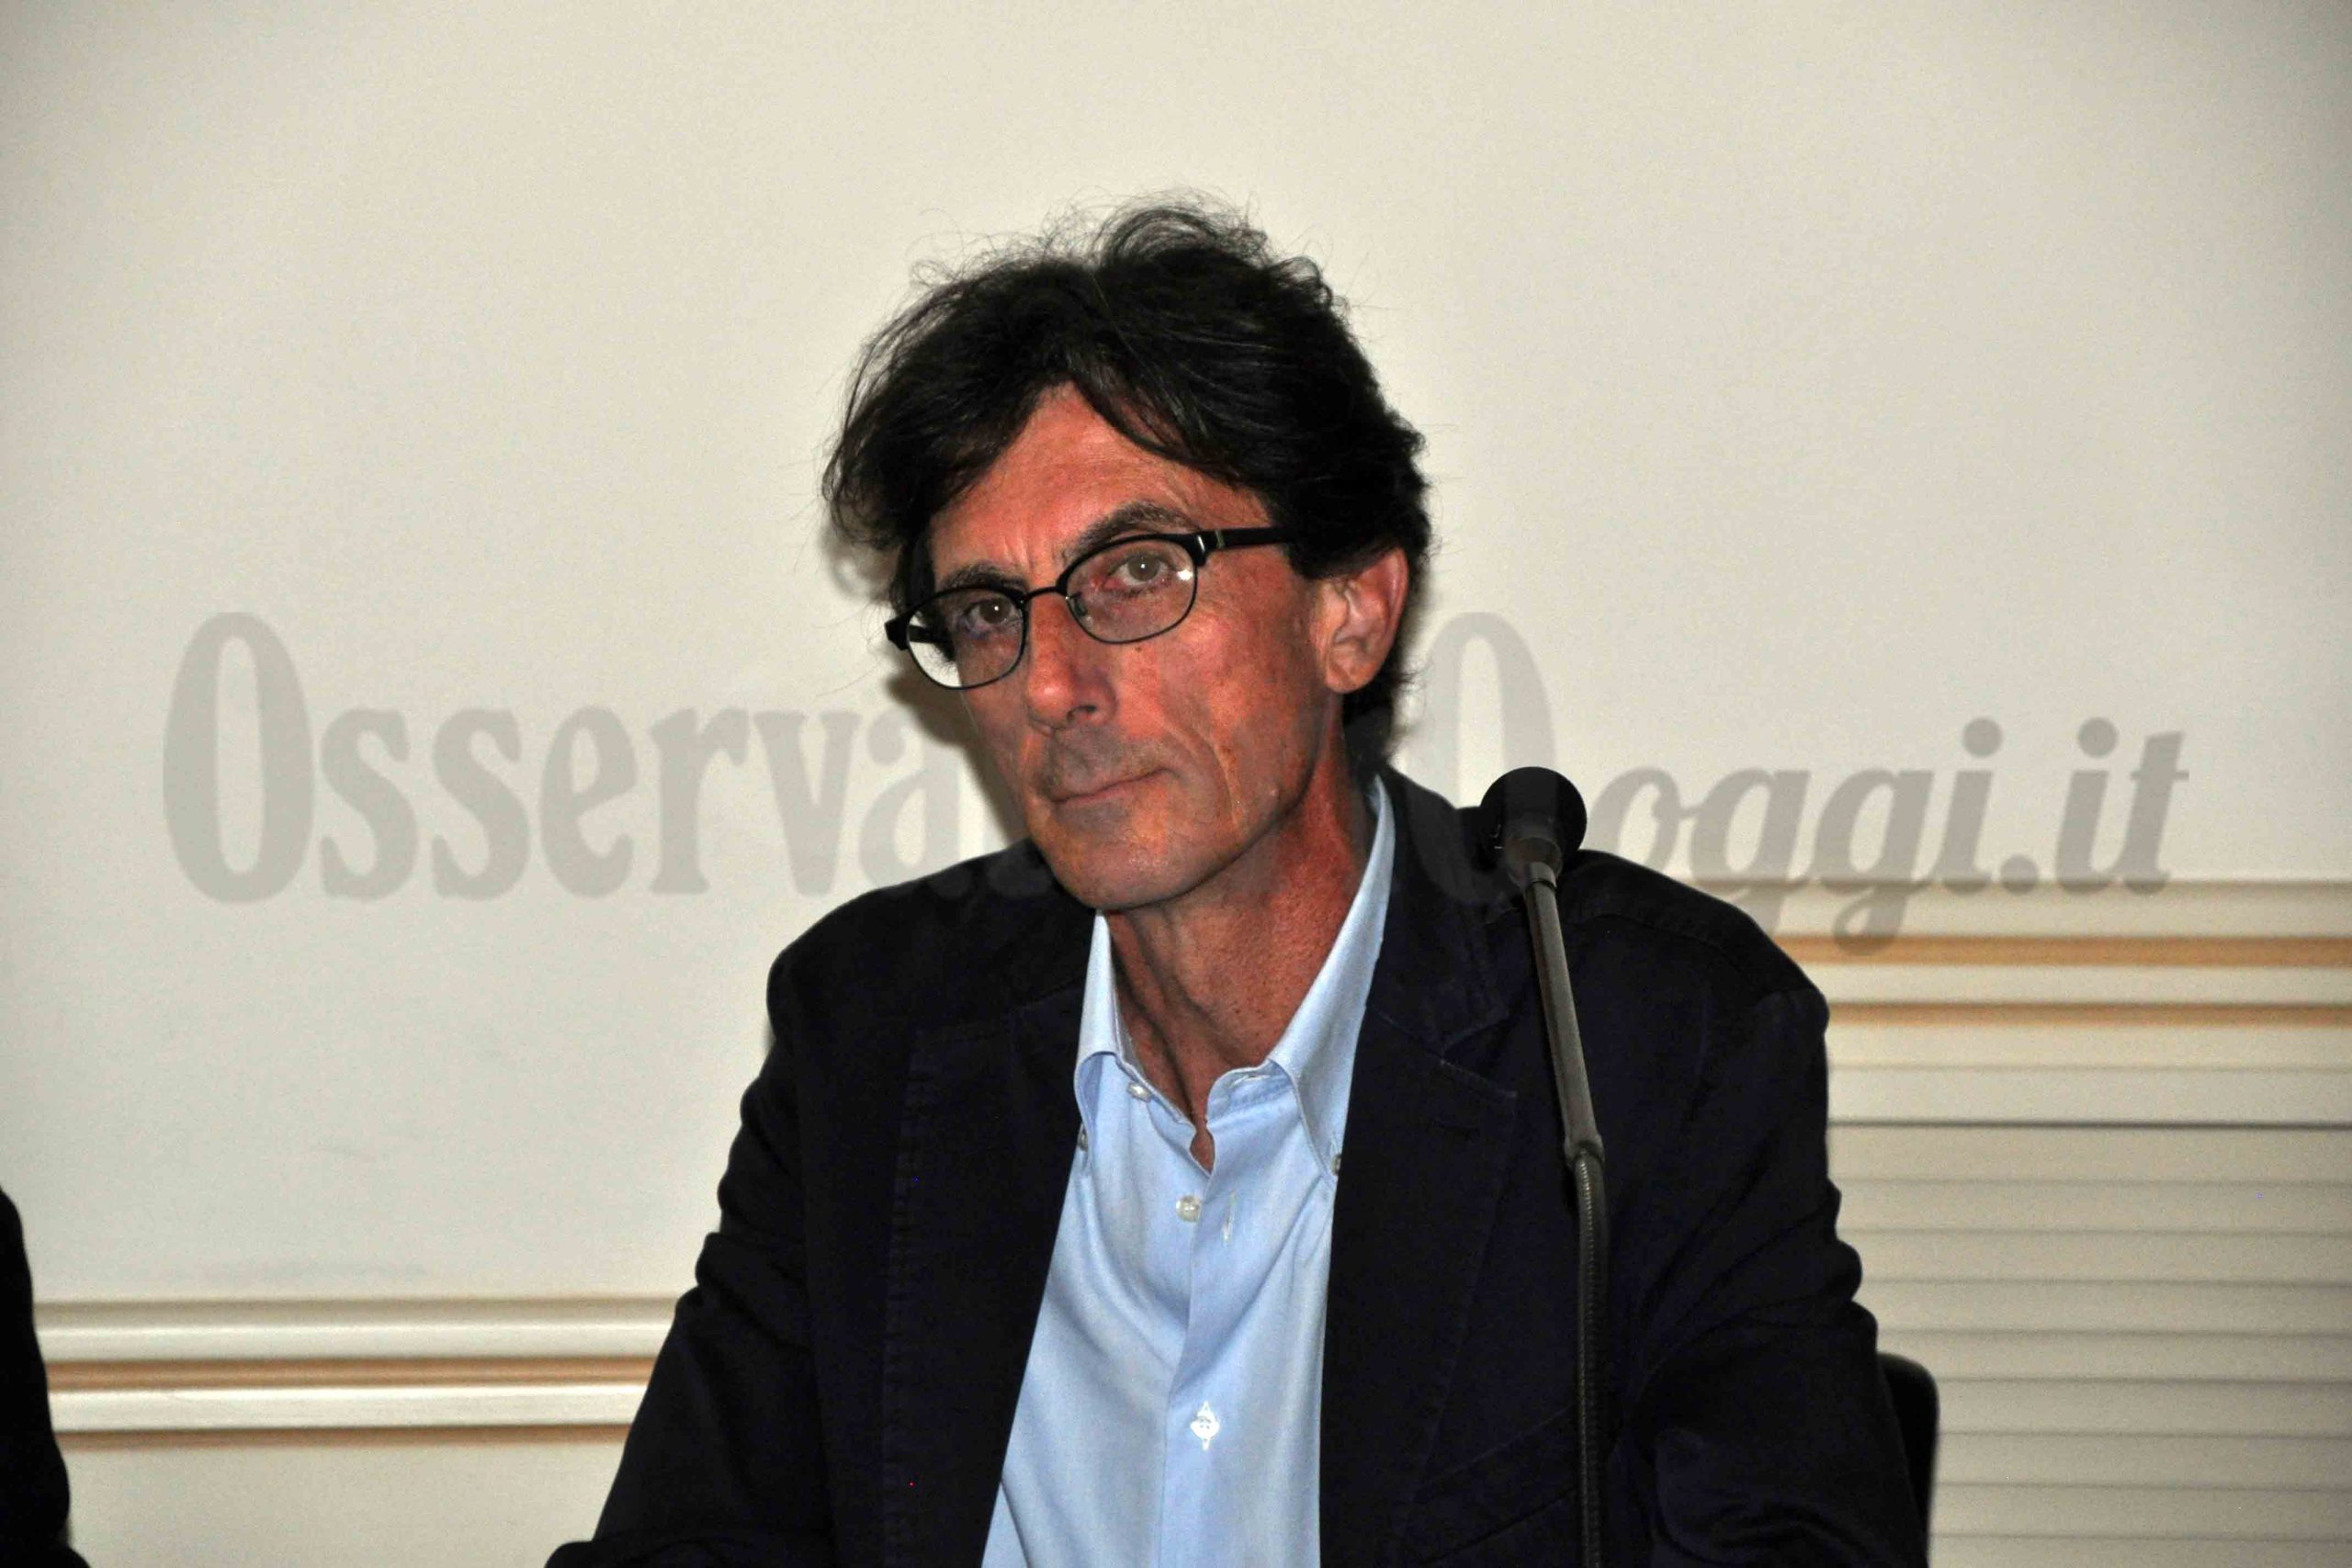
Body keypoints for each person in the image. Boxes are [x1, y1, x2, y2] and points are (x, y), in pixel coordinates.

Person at [553, 199, 1924, 1566]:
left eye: (1137, 572)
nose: (1052, 684)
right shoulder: (874, 1027)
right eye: (988, 612)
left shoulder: (1635, 1043)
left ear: (1351, 612)